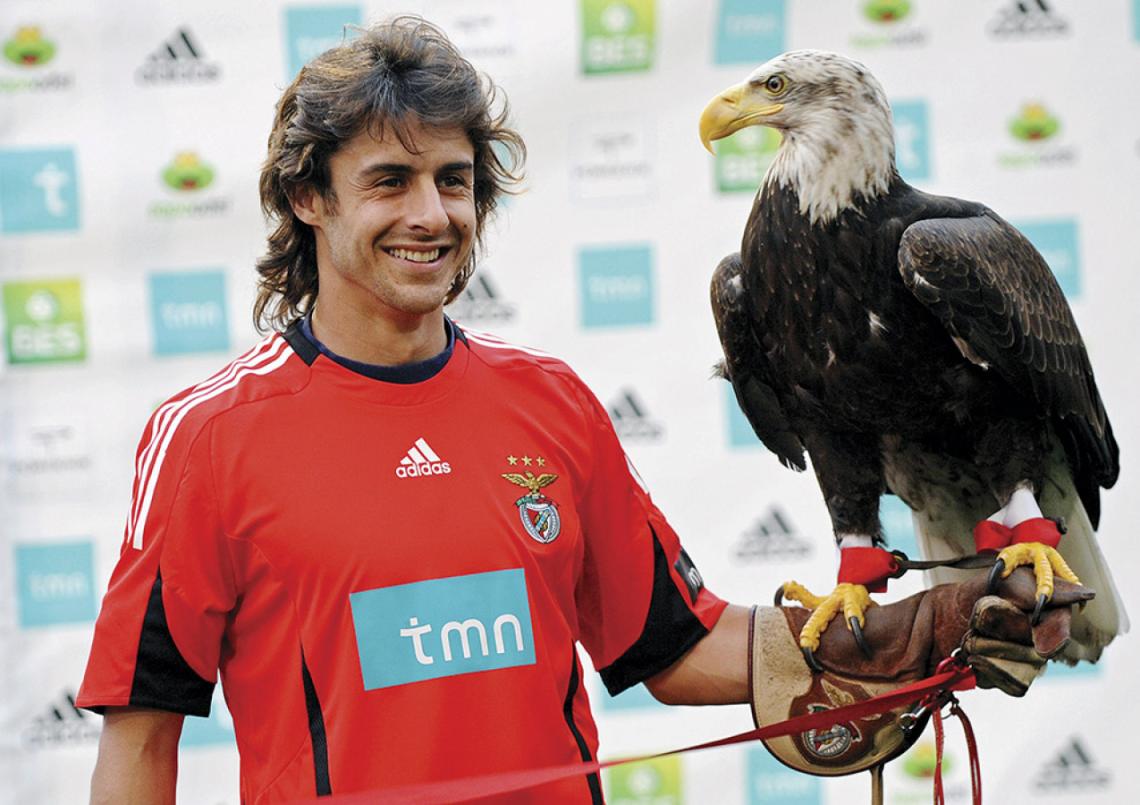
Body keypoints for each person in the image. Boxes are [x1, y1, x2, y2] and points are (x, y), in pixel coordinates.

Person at [78, 17, 1069, 804]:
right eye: (390, 181)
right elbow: (141, 736)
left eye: (454, 181)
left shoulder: (548, 407)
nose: (432, 214)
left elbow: (676, 645)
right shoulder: (210, 438)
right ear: (308, 198)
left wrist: (920, 627)